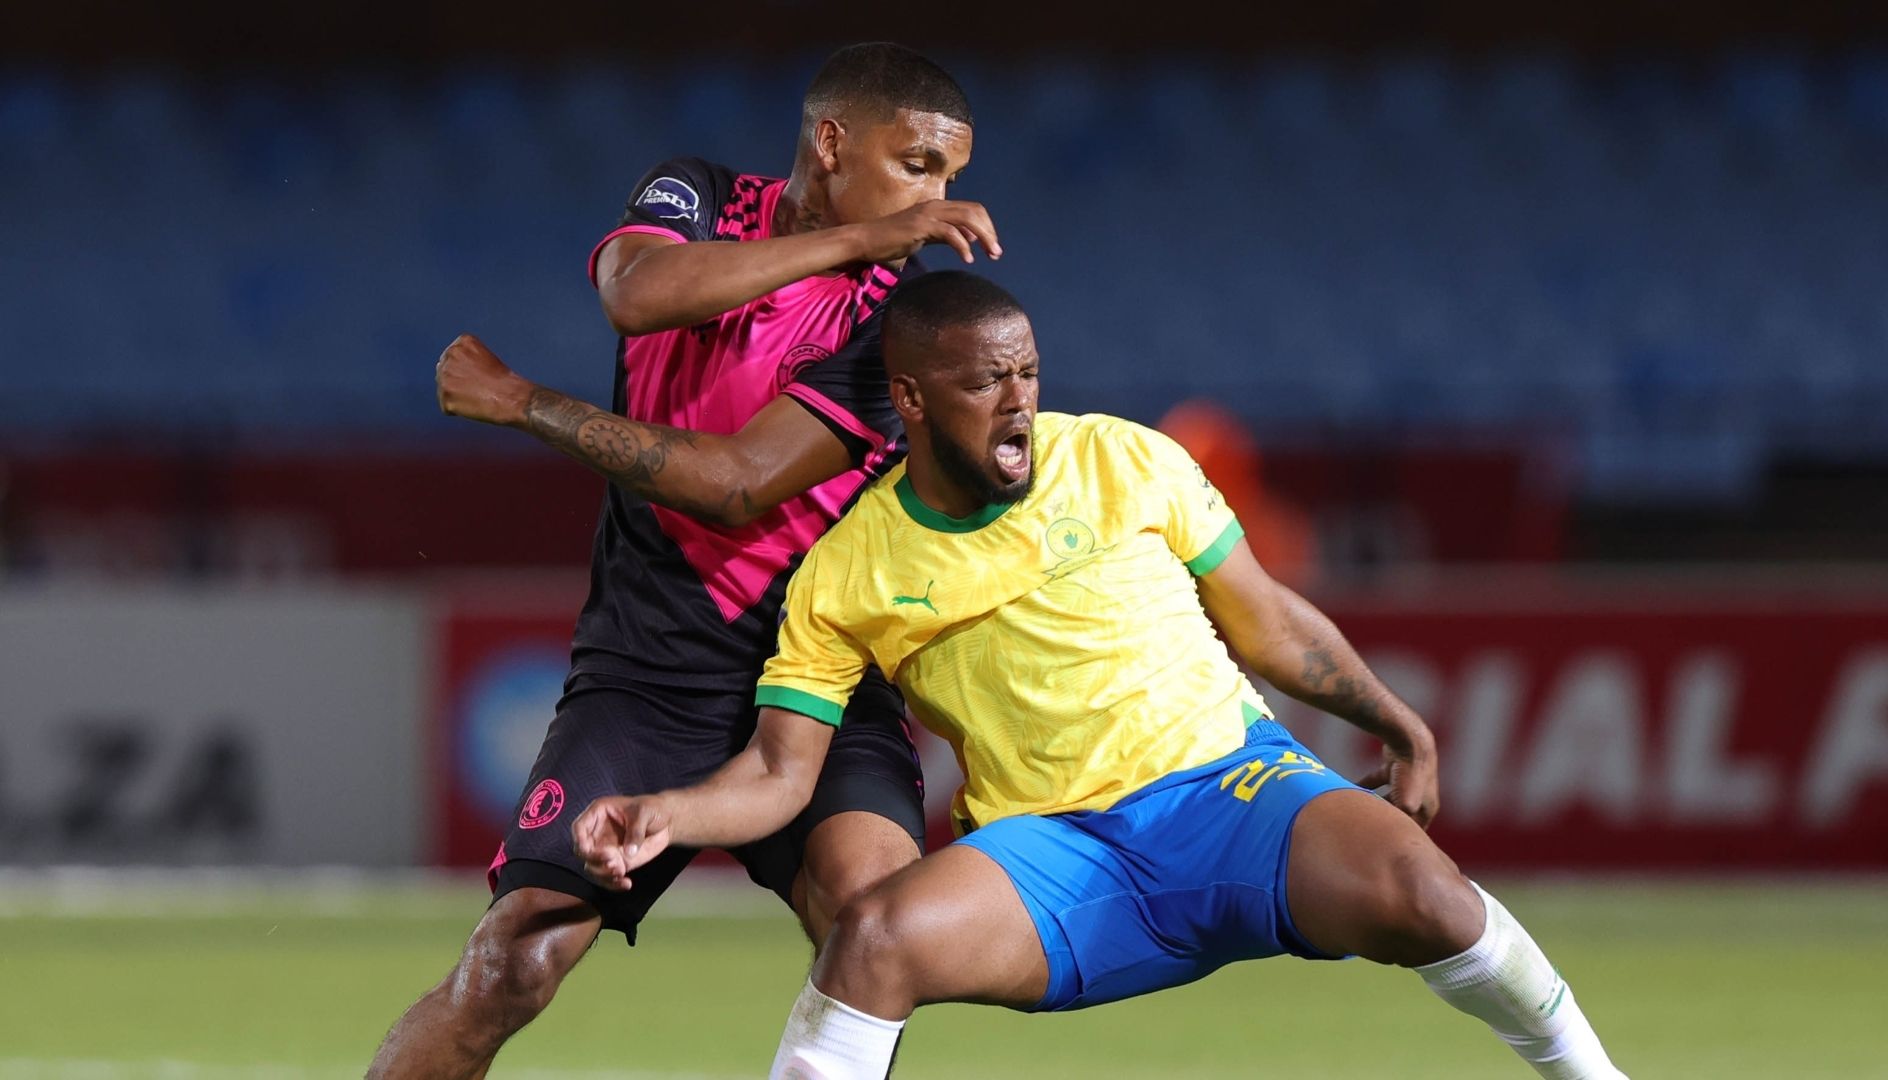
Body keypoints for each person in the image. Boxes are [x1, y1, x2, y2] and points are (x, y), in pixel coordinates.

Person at [571, 271, 1628, 1079]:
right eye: (983, 381)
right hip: (1058, 863)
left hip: (1234, 798)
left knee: (1427, 894)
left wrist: (1398, 724)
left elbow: (1263, 618)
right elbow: (780, 772)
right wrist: (668, 812)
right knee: (875, 937)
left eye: (1026, 372)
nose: (1017, 400)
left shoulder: (1124, 458)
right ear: (912, 398)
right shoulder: (851, 566)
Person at [369, 44, 999, 1078]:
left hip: (815, 678)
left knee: (876, 921)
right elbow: (639, 291)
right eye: (921, 165)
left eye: (951, 180)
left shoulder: (903, 319)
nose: (939, 204)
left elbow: (738, 483)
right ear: (833, 143)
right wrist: (858, 236)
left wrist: (523, 400)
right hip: (644, 674)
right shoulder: (697, 193)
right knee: (513, 964)